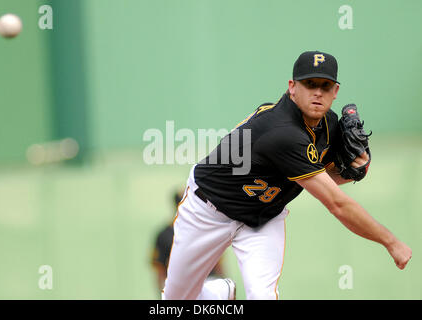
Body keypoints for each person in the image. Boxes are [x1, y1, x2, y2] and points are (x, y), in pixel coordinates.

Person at [162, 51, 412, 300]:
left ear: (335, 91)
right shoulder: (281, 131)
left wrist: (357, 169)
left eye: (325, 86)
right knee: (175, 301)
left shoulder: (329, 125)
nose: (317, 92)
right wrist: (391, 242)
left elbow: (326, 179)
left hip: (264, 216)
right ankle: (218, 292)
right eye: (309, 84)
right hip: (208, 210)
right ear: (292, 87)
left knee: (263, 296)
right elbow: (337, 204)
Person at [151, 189, 229, 299]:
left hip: (206, 283)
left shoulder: (204, 228)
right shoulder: (165, 234)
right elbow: (160, 269)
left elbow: (217, 262)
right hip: (182, 285)